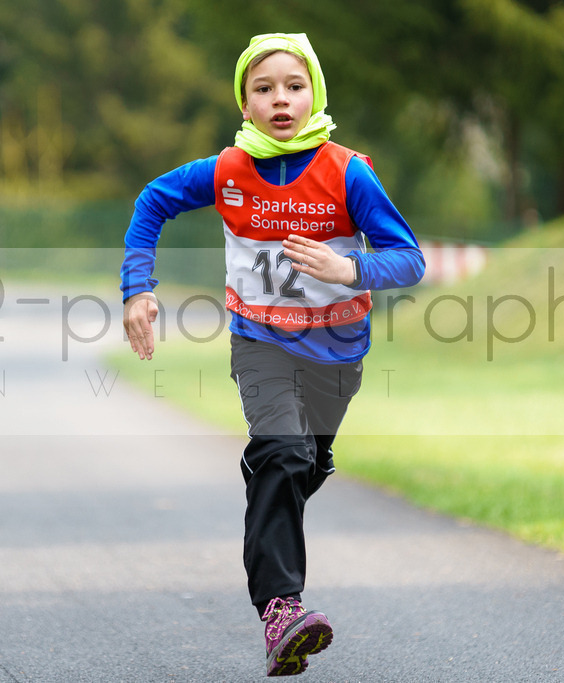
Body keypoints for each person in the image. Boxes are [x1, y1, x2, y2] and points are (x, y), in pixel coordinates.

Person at [119, 33, 424, 677]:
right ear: (245, 102)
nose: (280, 100)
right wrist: (137, 289)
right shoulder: (229, 170)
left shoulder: (348, 172)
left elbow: (410, 260)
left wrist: (348, 268)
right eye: (264, 89)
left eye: (293, 86)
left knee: (302, 465)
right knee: (283, 453)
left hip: (338, 350)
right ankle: (282, 612)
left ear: (313, 93)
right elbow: (152, 201)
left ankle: (272, 479)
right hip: (259, 341)